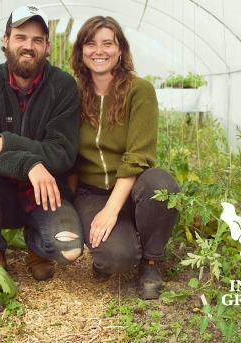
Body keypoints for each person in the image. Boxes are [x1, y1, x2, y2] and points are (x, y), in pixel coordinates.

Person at [0, 5, 83, 281]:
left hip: (47, 194)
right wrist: (29, 164)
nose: (29, 46)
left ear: (47, 47)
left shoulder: (62, 86)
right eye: (21, 37)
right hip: (1, 192)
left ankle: (36, 243)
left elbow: (62, 154)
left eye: (37, 40)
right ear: (5, 41)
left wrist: (5, 143)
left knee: (69, 250)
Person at [69, 16, 180, 299]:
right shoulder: (72, 93)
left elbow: (138, 156)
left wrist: (111, 211)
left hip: (133, 186)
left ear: (121, 50)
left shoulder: (139, 90)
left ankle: (151, 261)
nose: (99, 51)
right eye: (91, 43)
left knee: (162, 187)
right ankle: (124, 242)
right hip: (92, 192)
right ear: (81, 51)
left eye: (108, 43)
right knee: (116, 258)